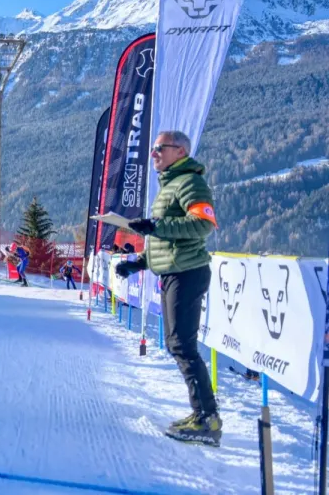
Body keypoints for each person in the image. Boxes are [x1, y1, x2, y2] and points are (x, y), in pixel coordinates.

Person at [115, 130, 221, 446]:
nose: (154, 153)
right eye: (153, 148)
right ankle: (202, 414)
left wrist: (157, 226)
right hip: (175, 272)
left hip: (188, 274)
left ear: (180, 151)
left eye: (160, 148)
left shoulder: (191, 183)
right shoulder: (170, 186)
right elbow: (167, 243)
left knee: (181, 345)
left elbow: (203, 225)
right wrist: (139, 262)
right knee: (178, 345)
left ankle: (208, 419)